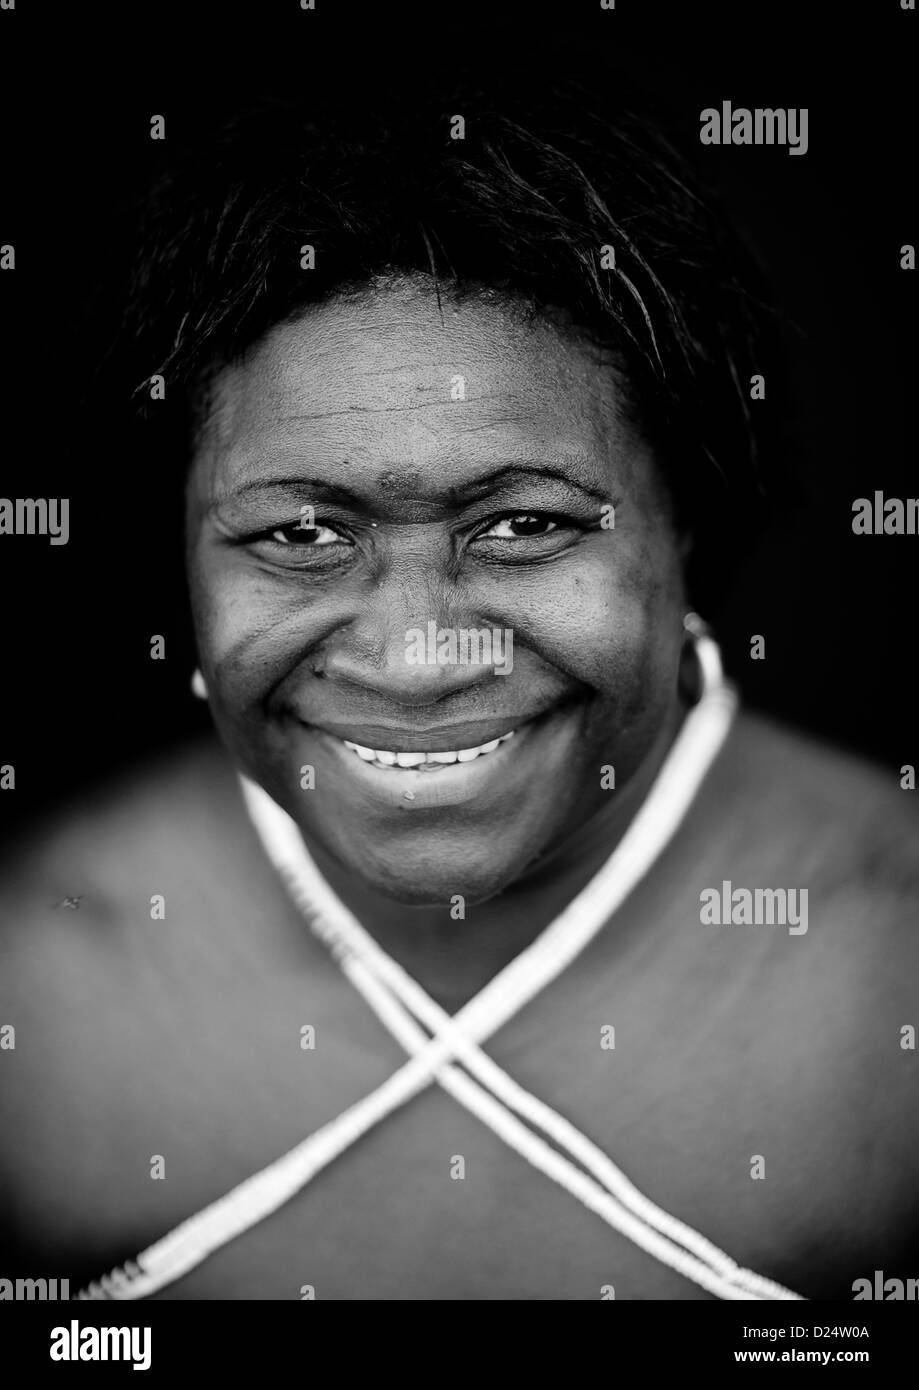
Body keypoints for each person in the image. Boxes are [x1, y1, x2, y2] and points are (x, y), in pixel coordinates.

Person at [1, 80, 916, 1302]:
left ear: (684, 525)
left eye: (525, 524)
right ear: (179, 551)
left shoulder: (894, 961)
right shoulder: (36, 976)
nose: (419, 657)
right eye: (302, 535)